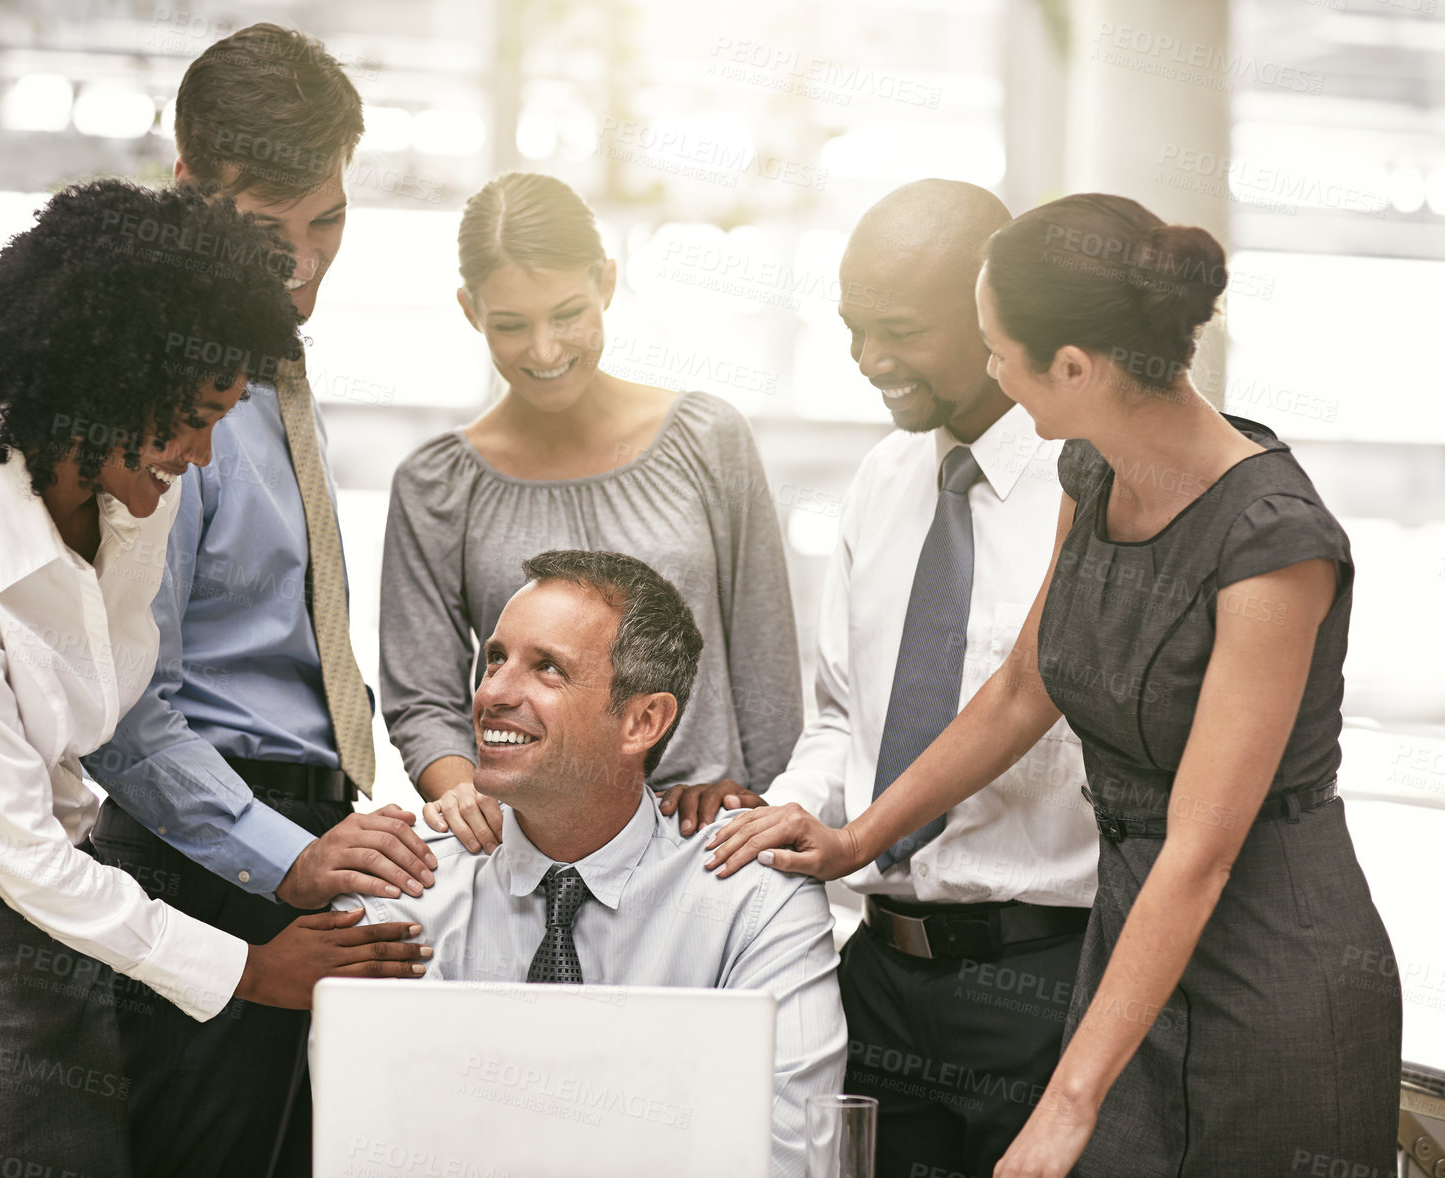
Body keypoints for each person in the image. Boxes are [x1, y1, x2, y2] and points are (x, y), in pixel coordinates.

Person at [708, 193, 1401, 1176]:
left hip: (1264, 969)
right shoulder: (1092, 471)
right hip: (1129, 953)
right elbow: (1019, 686)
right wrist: (854, 838)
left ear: (1072, 367)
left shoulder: (1272, 540)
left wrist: (1071, 1096)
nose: (990, 372)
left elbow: (1200, 852)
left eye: (998, 350)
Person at [0, 180, 430, 1178]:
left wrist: (286, 858)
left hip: (55, 923)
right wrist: (252, 971)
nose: (206, 452)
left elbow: (128, 727)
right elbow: (20, 850)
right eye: (190, 418)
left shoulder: (141, 507)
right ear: (95, 388)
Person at [667, 180, 1097, 1177]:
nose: (868, 360)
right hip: (879, 974)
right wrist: (781, 812)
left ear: (994, 320)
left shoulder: (1086, 484)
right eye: (854, 328)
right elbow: (843, 721)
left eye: (898, 330)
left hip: (1040, 978)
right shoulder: (883, 477)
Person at [81, 25, 436, 1178]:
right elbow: (125, 709)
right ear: (188, 189)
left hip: (305, 833)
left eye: (326, 222)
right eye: (263, 232)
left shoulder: (275, 369)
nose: (299, 266)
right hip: (215, 855)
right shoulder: (159, 388)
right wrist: (286, 858)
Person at [339, 550, 844, 1178]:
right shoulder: (402, 883)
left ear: (643, 721)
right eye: (494, 659)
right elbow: (373, 1149)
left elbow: (790, 1155)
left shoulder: (758, 894)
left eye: (546, 668)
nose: (491, 693)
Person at [380, 171, 802, 854]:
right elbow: (422, 696)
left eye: (567, 313)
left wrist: (756, 799)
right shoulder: (435, 485)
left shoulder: (708, 439)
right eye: (511, 325)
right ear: (469, 310)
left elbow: (765, 666)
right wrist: (466, 796)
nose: (545, 350)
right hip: (522, 847)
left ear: (606, 280)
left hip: (701, 840)